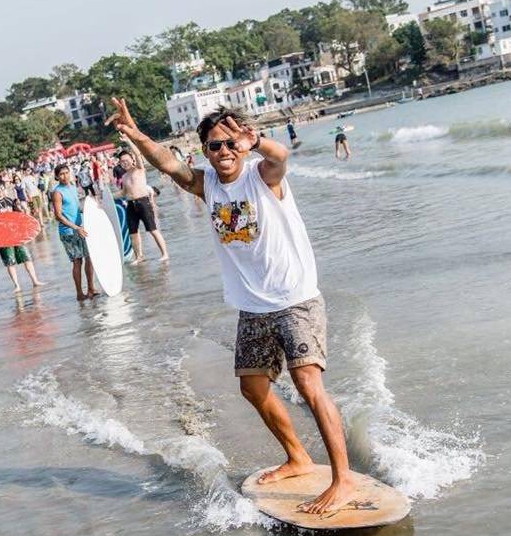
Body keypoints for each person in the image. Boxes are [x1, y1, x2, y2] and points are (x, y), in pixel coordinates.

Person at [105, 98, 355, 514]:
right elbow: (168, 164)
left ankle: (342, 479)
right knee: (252, 388)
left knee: (309, 385)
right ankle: (298, 458)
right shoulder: (208, 185)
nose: (223, 152)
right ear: (204, 150)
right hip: (253, 306)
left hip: (294, 298)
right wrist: (136, 134)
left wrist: (254, 141)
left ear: (242, 143)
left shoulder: (263, 176)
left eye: (229, 143)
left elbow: (280, 156)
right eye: (214, 146)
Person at [114, 136, 169, 264]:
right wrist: (107, 197)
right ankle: (139, 256)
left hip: (143, 202)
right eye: (122, 162)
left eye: (127, 160)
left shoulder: (139, 169)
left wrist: (127, 140)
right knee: (133, 232)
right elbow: (123, 192)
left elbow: (138, 153)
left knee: (152, 230)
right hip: (131, 205)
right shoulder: (125, 176)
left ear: (132, 160)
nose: (125, 163)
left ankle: (164, 254)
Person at [0, 179, 44, 293]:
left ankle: (35, 280)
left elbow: (18, 215)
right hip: (4, 238)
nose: (0, 191)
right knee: (10, 262)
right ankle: (17, 285)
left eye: (2, 189)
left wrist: (22, 210)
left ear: (4, 189)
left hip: (16, 235)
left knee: (27, 257)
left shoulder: (10, 200)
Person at [51, 164, 97, 300]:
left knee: (90, 258)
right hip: (68, 232)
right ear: (57, 177)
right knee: (77, 261)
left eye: (67, 173)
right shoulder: (57, 192)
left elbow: (76, 208)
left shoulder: (72, 188)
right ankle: (79, 293)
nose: (65, 176)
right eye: (61, 174)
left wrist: (92, 210)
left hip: (80, 229)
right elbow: (58, 215)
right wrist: (75, 228)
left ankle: (91, 288)